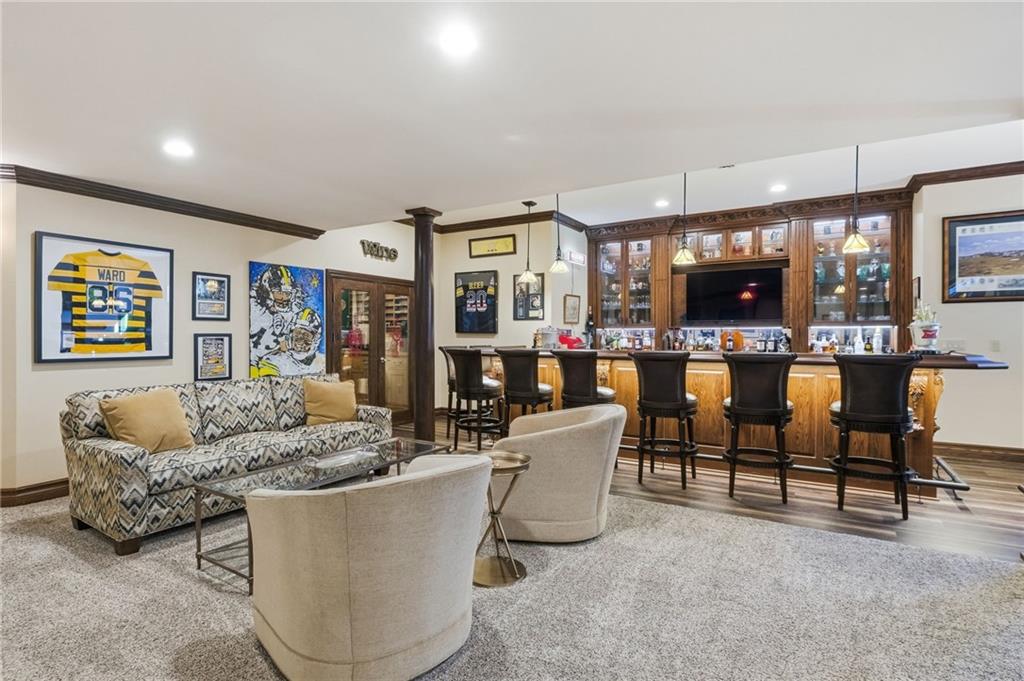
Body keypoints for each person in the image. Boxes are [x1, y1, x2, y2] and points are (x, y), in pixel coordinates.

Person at [255, 307, 325, 377]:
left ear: (315, 340)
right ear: (290, 334)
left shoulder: (322, 363)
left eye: (306, 336)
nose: (300, 341)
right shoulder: (275, 361)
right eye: (297, 334)